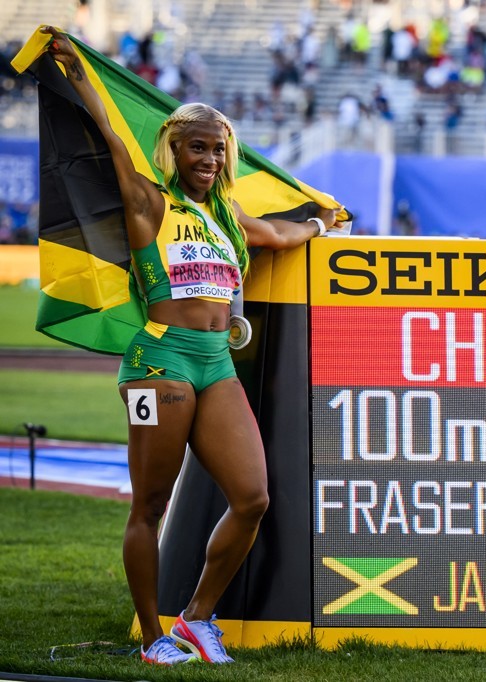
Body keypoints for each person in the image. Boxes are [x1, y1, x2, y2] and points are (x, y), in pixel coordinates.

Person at [43, 27, 346, 666]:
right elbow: (113, 142)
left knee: (253, 496)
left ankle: (196, 620)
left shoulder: (228, 220)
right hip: (160, 362)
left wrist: (321, 221)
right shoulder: (149, 204)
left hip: (214, 363)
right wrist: (77, 71)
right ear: (174, 153)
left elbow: (278, 235)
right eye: (195, 148)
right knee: (149, 508)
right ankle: (153, 639)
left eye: (217, 149)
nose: (208, 158)